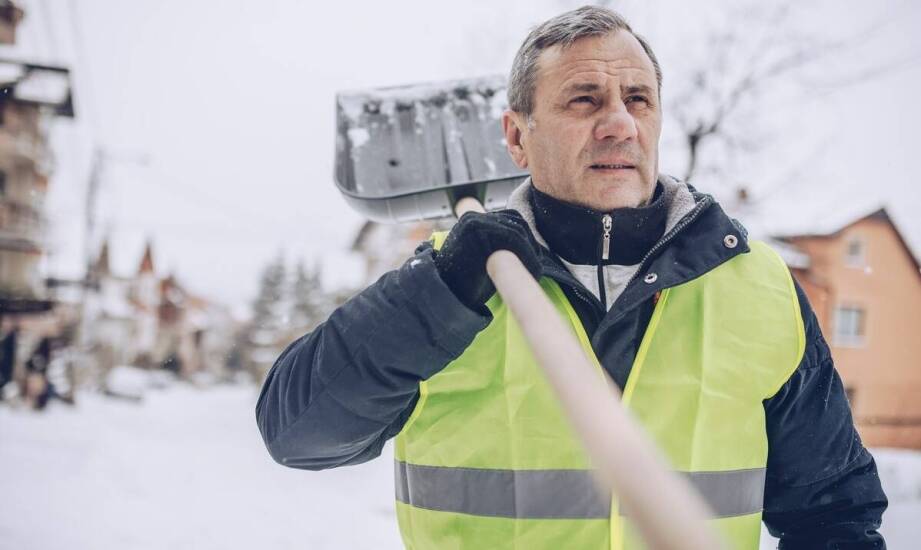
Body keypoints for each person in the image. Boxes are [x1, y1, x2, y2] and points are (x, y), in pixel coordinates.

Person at [257, 6, 887, 549]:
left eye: (637, 99)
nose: (619, 123)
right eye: (584, 99)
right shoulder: (454, 282)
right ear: (516, 138)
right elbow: (299, 434)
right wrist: (438, 293)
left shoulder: (756, 286)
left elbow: (833, 512)